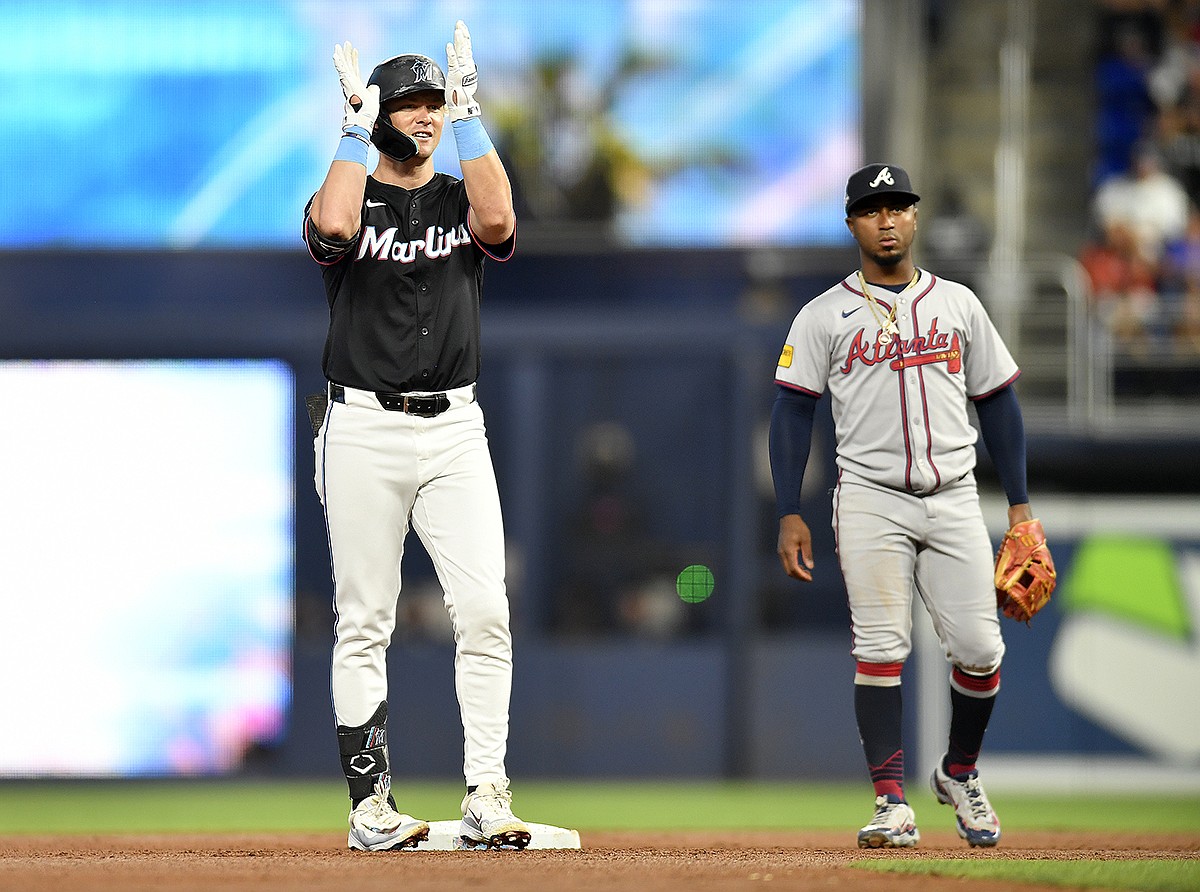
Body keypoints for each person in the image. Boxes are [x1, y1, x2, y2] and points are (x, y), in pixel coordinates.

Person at [303, 22, 531, 851]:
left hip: (455, 427)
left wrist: (472, 115)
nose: (426, 114)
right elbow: (330, 227)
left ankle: (487, 794)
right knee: (366, 619)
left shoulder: (457, 195)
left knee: (485, 611)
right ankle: (371, 808)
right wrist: (352, 131)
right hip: (361, 422)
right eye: (412, 102)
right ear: (381, 113)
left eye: (435, 101)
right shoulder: (353, 186)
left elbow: (500, 219)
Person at [770, 163, 1039, 849]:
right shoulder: (823, 314)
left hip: (953, 496)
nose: (887, 219)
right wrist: (789, 509)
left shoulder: (959, 305)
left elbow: (1000, 405)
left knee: (981, 650)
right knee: (882, 649)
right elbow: (791, 414)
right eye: (872, 209)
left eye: (898, 206)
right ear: (853, 223)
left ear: (915, 218)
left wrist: (1020, 507)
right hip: (869, 498)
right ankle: (891, 802)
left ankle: (959, 771)